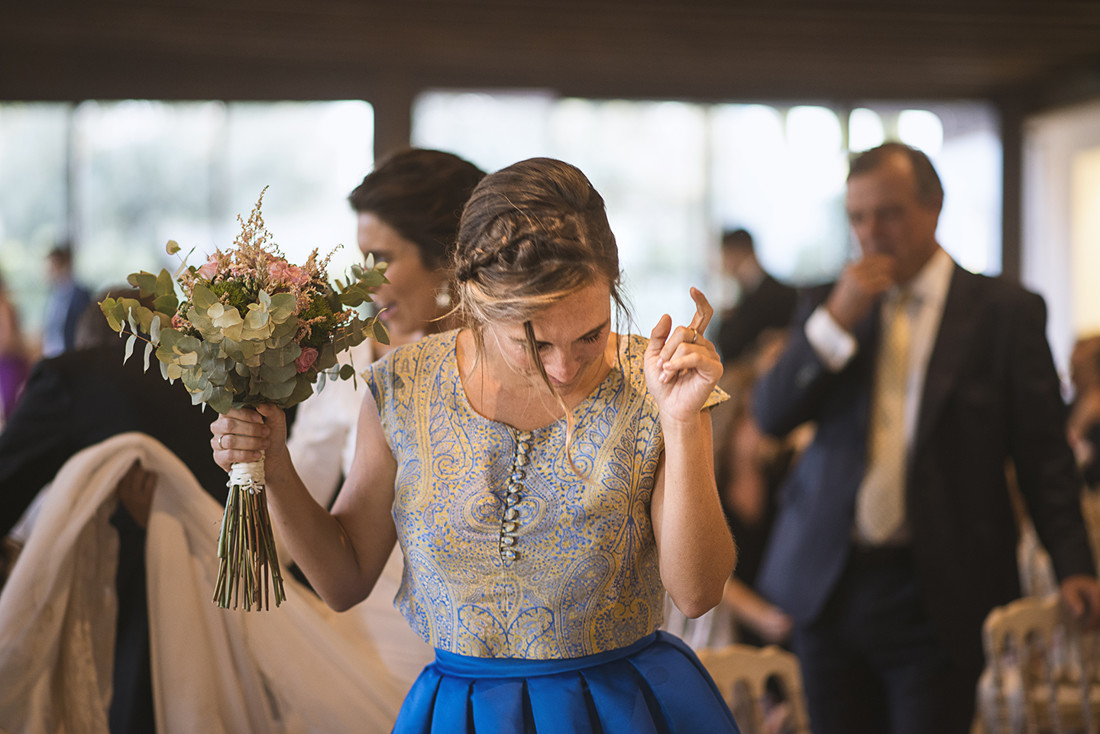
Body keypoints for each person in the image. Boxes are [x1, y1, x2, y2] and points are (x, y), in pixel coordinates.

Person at [212, 157, 742, 732]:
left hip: (616, 710)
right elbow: (344, 581)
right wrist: (275, 466)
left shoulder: (655, 381)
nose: (564, 368)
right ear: (474, 299)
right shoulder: (404, 384)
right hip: (462, 714)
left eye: (590, 335)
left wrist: (681, 421)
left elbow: (697, 593)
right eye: (533, 343)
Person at [751, 141, 1100, 734]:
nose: (871, 233)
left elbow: (1043, 454)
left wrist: (1073, 564)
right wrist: (836, 320)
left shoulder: (1003, 312)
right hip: (831, 584)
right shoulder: (830, 304)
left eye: (888, 214)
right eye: (858, 217)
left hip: (942, 588)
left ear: (934, 207)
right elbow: (772, 413)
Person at [284, 147, 486, 686]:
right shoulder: (350, 362)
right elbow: (300, 488)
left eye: (380, 259)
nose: (364, 281)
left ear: (445, 254)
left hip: (495, 651)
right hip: (371, 649)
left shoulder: (513, 359)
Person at [0, 289, 225, 734]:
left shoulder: (73, 378)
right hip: (226, 603)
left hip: (123, 612)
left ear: (86, 342)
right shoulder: (214, 382)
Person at [714, 228, 796, 363]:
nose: (722, 263)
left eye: (723, 255)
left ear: (734, 253)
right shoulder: (758, 290)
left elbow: (730, 345)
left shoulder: (762, 294)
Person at [41, 243, 92, 358]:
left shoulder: (80, 295)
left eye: (51, 267)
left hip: (71, 356)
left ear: (63, 266)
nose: (48, 273)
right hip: (52, 356)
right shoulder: (52, 296)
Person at [0, 269, 29, 425]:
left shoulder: (4, 306)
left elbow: (8, 340)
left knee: (11, 411)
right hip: (6, 363)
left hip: (10, 363)